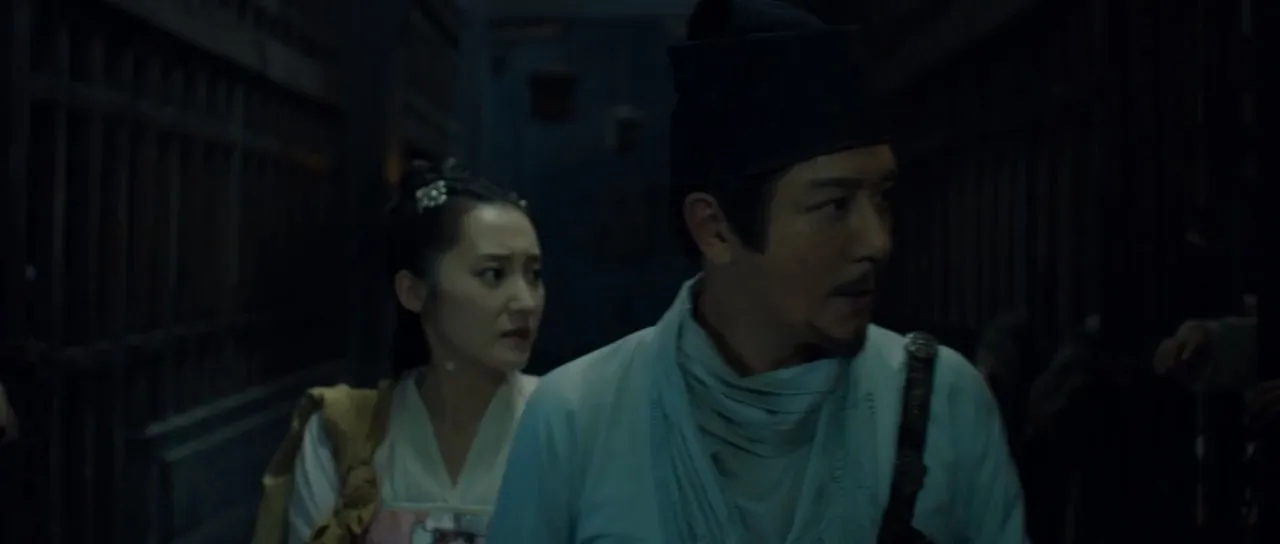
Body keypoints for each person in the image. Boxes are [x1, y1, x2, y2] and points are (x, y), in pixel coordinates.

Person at [486, 1, 1028, 542]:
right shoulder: (578, 418)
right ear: (716, 229)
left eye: (882, 198)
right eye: (835, 205)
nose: (877, 241)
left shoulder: (942, 401)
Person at [254, 158, 544, 544]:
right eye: (493, 274)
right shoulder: (342, 434)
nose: (526, 301)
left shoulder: (570, 421)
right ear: (414, 291)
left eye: (534, 275)